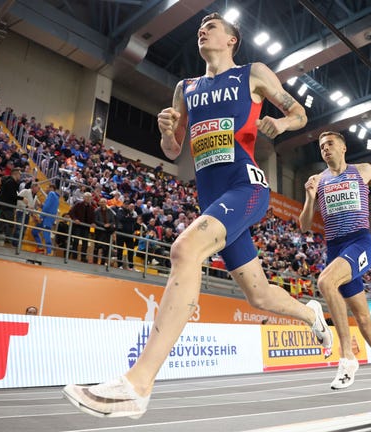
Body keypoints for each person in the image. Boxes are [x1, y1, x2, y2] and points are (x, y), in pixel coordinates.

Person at [63, 12, 331, 419]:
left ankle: (137, 384)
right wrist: (167, 133)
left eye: (211, 25)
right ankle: (309, 312)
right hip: (211, 199)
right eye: (199, 27)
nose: (202, 29)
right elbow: (173, 151)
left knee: (185, 250)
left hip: (247, 188)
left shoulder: (252, 74)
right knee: (257, 295)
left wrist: (281, 121)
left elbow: (300, 114)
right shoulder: (185, 88)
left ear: (231, 40)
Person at [299, 131, 371, 392]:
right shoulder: (317, 180)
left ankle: (346, 359)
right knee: (364, 318)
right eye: (321, 146)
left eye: (330, 144)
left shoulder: (364, 170)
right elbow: (304, 224)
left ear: (343, 148)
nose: (325, 149)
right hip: (335, 248)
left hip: (359, 242)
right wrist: (311, 198)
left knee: (325, 282)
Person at [32, 183, 60, 255]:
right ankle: (41, 248)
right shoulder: (55, 197)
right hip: (48, 218)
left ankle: (49, 252)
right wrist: (42, 206)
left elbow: (47, 207)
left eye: (47, 188)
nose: (46, 189)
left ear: (51, 188)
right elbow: (48, 207)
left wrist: (41, 217)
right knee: (34, 231)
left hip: (46, 218)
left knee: (46, 234)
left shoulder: (51, 194)